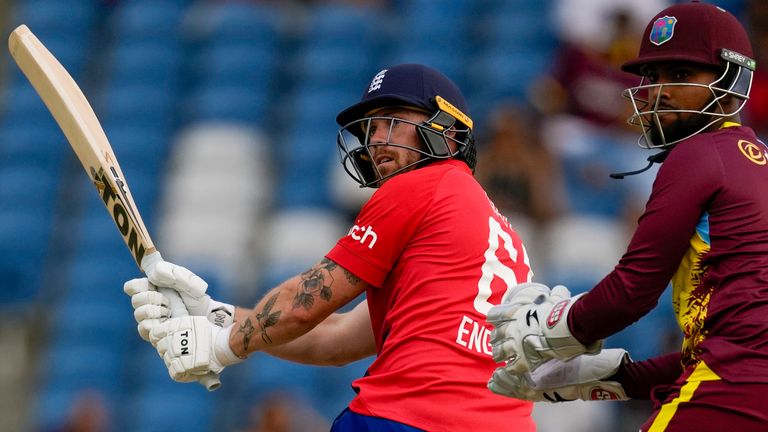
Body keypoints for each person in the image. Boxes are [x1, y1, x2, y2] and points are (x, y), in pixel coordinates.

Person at [125, 64, 536, 431]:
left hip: (409, 416)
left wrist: (221, 348)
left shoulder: (420, 185)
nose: (376, 140)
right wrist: (220, 316)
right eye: (370, 129)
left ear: (447, 131)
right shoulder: (495, 228)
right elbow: (338, 339)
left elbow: (306, 304)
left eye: (391, 121)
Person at [486, 2, 768, 431]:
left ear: (731, 83)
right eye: (652, 77)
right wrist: (606, 378)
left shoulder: (699, 153)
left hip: (729, 391)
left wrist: (547, 328)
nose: (660, 90)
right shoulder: (758, 160)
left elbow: (633, 290)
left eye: (681, 75)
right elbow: (737, 349)